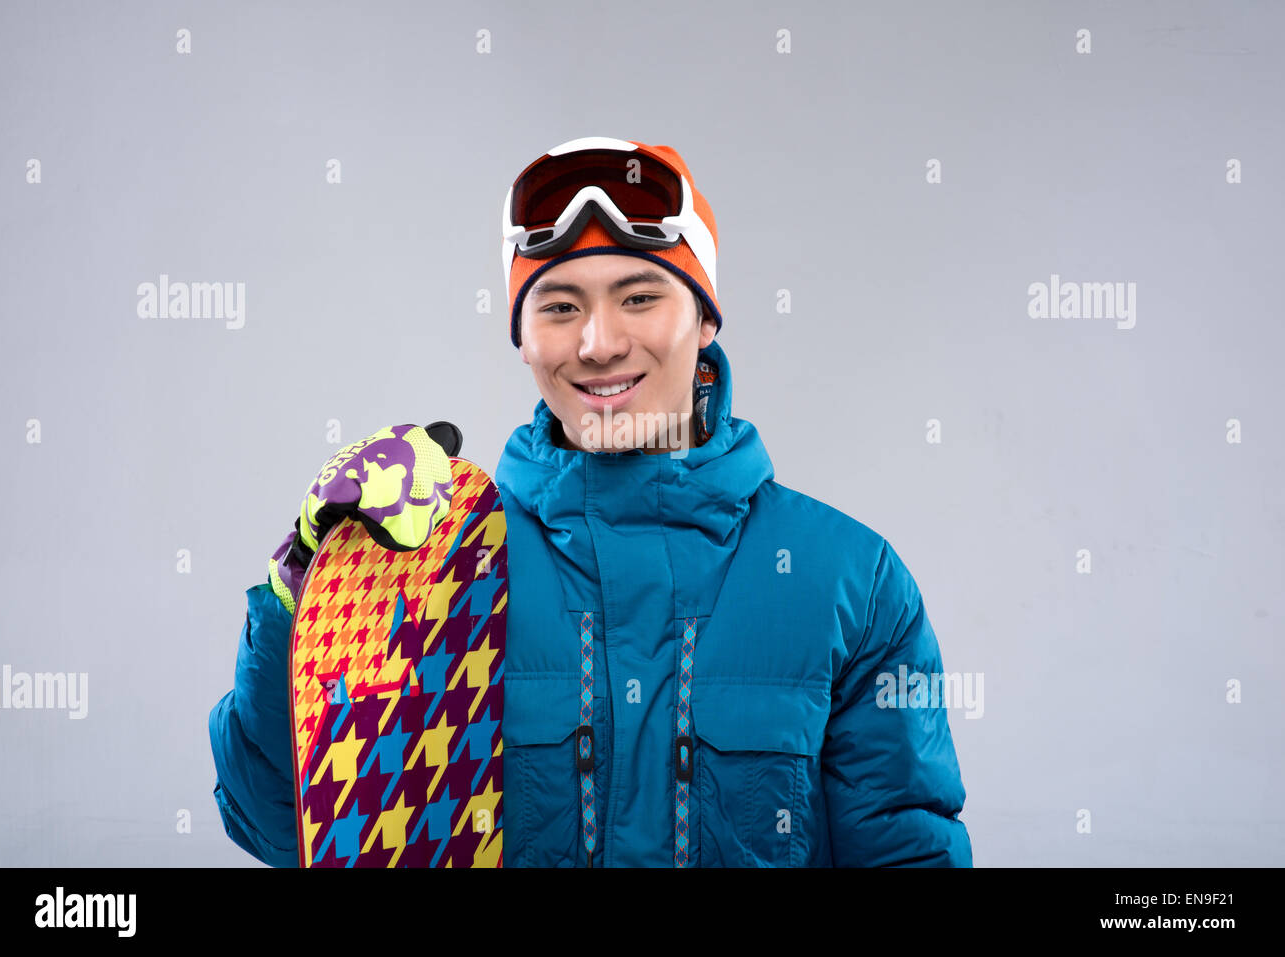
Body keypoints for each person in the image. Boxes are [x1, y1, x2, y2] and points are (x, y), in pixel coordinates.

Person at [208, 136, 974, 867]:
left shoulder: (848, 582)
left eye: (639, 296)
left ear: (704, 318)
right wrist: (302, 588)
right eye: (560, 307)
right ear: (524, 338)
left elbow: (906, 851)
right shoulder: (438, 564)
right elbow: (280, 824)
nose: (599, 343)